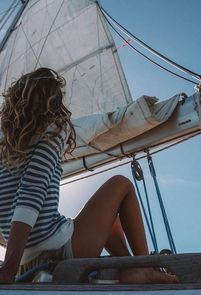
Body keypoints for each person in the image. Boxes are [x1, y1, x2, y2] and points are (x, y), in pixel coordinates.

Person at [0, 68, 178, 284]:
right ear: (52, 101)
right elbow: (31, 194)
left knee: (108, 218)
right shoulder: (51, 130)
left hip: (24, 261)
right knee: (121, 185)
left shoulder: (5, 146)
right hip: (54, 252)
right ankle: (144, 267)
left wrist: (13, 264)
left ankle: (129, 266)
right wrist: (8, 270)